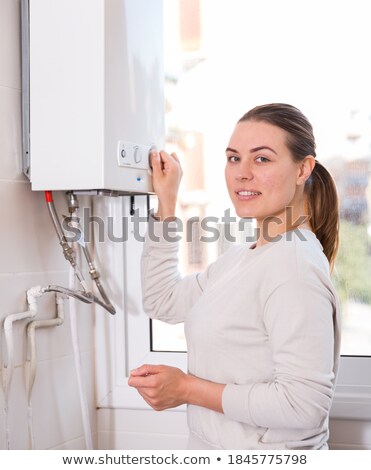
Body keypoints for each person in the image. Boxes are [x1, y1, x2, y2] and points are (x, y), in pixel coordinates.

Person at [128, 103, 341, 450]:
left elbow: (303, 407)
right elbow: (163, 299)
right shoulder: (244, 256)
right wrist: (167, 203)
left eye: (261, 159)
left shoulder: (294, 267)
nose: (241, 173)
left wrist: (186, 388)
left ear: (303, 169)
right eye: (233, 158)